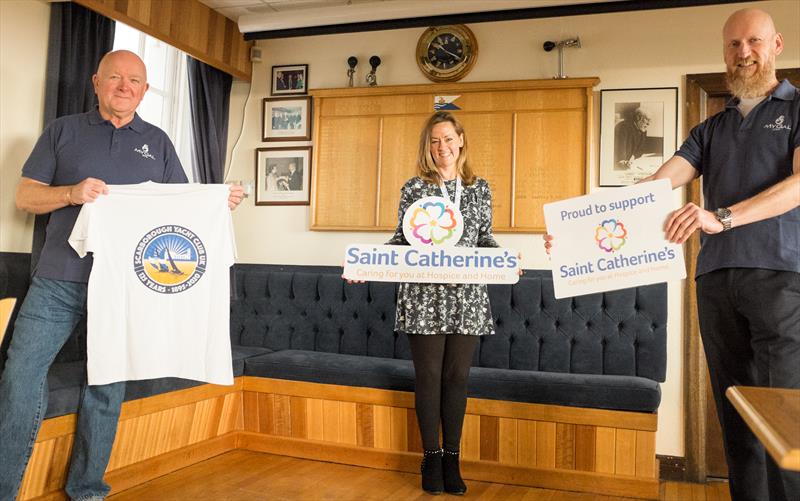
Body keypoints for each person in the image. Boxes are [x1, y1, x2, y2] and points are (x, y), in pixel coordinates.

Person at [546, 8, 798, 501]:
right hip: (717, 281)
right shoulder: (710, 129)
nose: (742, 53)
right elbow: (649, 190)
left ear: (776, 45)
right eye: (732, 45)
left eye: (752, 42)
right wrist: (573, 235)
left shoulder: (798, 109)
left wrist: (722, 217)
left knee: (782, 420)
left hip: (781, 279)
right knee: (735, 414)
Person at [0, 50, 244, 501]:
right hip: (58, 279)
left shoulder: (159, 141)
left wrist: (217, 202)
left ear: (145, 90)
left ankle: (88, 489)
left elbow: (180, 206)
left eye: (134, 80)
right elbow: (24, 196)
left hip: (127, 288)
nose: (124, 86)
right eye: (115, 77)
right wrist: (71, 193)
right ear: (97, 82)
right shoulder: (62, 131)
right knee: (19, 373)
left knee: (107, 384)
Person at [386, 111, 499, 495]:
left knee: (457, 378)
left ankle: (453, 457)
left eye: (448, 139)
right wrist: (361, 263)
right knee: (429, 377)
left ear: (461, 141)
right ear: (427, 147)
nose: (442, 148)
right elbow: (401, 240)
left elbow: (485, 240)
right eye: (434, 141)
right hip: (423, 295)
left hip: (467, 294)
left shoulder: (480, 189)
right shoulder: (414, 188)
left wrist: (507, 261)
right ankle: (430, 457)